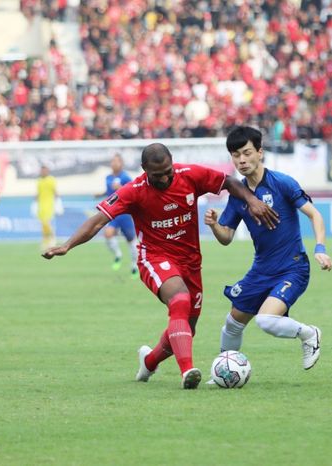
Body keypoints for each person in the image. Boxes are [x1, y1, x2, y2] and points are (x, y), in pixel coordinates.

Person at [43, 142, 278, 389]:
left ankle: (150, 360)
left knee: (187, 327)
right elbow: (97, 221)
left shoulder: (189, 175)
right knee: (179, 300)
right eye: (157, 175)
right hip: (154, 257)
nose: (165, 178)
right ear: (144, 169)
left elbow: (228, 182)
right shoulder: (133, 191)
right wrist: (67, 245)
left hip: (190, 261)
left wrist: (252, 200)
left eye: (168, 171)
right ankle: (187, 371)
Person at [205, 126, 332, 372]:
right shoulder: (238, 195)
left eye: (247, 153)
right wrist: (213, 225)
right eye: (235, 155)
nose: (241, 160)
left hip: (292, 268)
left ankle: (309, 334)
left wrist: (320, 247)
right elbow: (226, 237)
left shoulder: (282, 183)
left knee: (265, 320)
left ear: (260, 152)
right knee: (232, 324)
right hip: (261, 270)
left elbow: (314, 215)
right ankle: (224, 371)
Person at [95, 154, 138, 278]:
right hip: (112, 213)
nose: (114, 163)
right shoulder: (108, 177)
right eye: (112, 161)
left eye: (116, 161)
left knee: (131, 240)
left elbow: (133, 191)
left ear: (121, 164)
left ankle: (134, 265)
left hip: (124, 213)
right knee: (108, 233)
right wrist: (100, 195)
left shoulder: (125, 177)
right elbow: (110, 193)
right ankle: (118, 254)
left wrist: (121, 188)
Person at [36, 165, 59, 249]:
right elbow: (38, 193)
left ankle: (52, 240)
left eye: (44, 171)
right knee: (43, 224)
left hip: (49, 205)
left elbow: (55, 192)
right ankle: (45, 241)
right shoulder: (39, 181)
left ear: (47, 171)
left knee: (47, 223)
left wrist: (58, 202)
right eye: (41, 171)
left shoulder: (51, 180)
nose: (43, 172)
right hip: (40, 206)